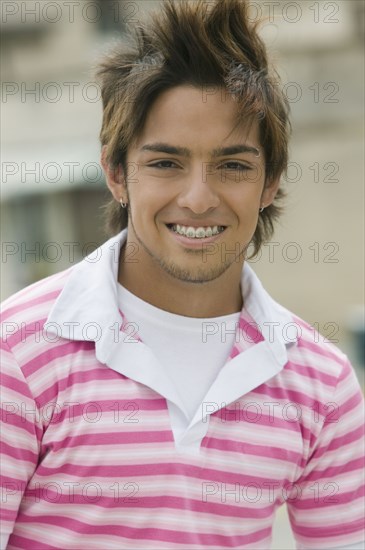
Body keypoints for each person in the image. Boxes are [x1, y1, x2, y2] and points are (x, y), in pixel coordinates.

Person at [1, 1, 364, 549]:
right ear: (117, 174)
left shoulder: (323, 384)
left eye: (233, 165)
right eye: (166, 163)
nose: (198, 199)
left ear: (270, 184)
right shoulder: (18, 353)